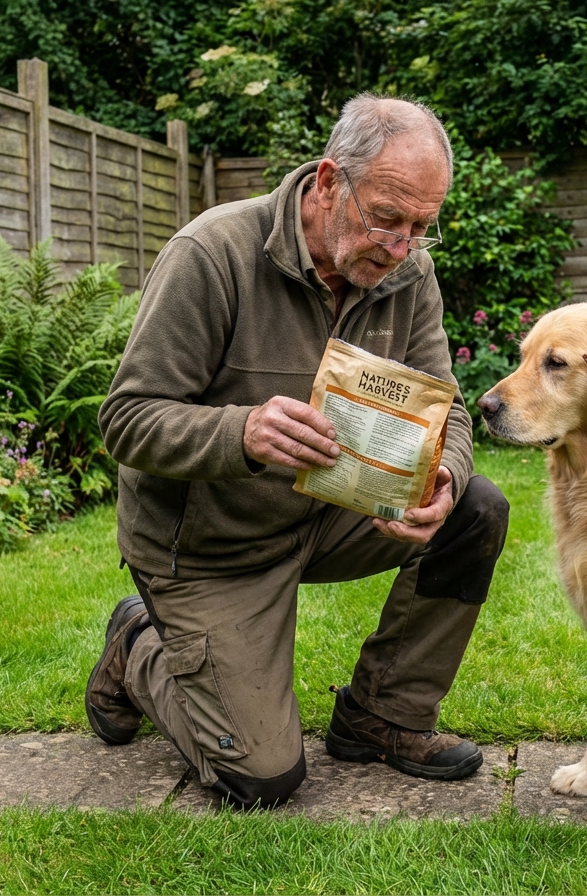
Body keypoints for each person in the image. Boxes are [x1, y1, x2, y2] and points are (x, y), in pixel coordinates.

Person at [87, 94, 510, 811]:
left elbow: (451, 410)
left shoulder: (408, 276)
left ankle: (384, 714)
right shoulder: (212, 253)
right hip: (211, 545)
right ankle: (138, 649)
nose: (401, 247)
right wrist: (239, 433)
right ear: (326, 183)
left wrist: (444, 474)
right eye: (386, 218)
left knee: (475, 508)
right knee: (260, 779)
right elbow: (126, 419)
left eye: (420, 228)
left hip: (330, 513)